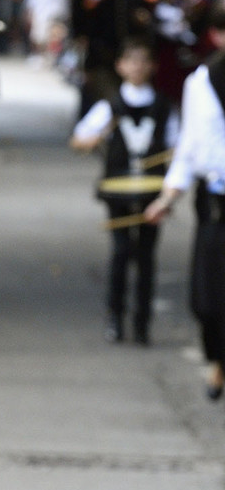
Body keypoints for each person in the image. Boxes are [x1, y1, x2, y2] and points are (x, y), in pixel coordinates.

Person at [71, 40, 175, 346]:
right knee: (120, 254)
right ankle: (115, 317)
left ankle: (142, 323)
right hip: (117, 190)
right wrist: (92, 139)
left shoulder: (164, 106)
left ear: (153, 67)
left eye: (144, 61)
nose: (137, 67)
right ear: (120, 66)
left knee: (146, 257)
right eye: (131, 61)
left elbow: (177, 145)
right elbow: (79, 139)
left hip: (152, 192)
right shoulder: (110, 105)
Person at [144, 46, 225, 398]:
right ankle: (217, 358)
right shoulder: (203, 81)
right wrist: (168, 196)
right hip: (215, 201)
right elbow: (190, 144)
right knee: (207, 300)